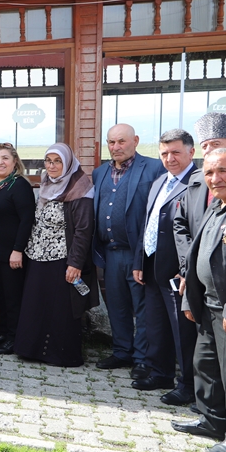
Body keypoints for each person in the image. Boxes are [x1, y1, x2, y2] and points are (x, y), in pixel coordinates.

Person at [92, 124, 165, 377]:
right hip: (111, 253)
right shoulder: (99, 172)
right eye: (111, 142)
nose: (116, 147)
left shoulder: (154, 168)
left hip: (140, 254)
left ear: (135, 140)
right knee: (117, 305)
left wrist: (144, 255)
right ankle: (122, 351)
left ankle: (143, 358)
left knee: (143, 308)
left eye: (121, 141)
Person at [14, 143, 97, 367]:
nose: (51, 166)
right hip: (38, 256)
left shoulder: (80, 188)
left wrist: (75, 263)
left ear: (67, 163)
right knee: (36, 304)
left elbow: (83, 230)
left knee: (59, 308)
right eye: (48, 161)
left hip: (62, 259)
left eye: (57, 161)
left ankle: (60, 355)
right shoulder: (47, 183)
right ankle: (31, 350)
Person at [131, 129, 197, 396]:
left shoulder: (198, 183)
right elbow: (147, 224)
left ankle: (187, 385)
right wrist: (139, 260)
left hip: (178, 270)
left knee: (182, 331)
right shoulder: (160, 181)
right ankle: (160, 374)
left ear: (191, 152)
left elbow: (197, 231)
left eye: (176, 152)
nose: (170, 158)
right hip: (152, 266)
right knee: (156, 326)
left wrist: (187, 271)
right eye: (164, 153)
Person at [174, 113, 226, 416]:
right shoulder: (205, 190)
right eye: (205, 145)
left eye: (216, 144)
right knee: (205, 361)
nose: (214, 178)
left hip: (225, 299)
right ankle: (211, 419)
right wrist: (189, 279)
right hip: (202, 294)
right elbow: (186, 232)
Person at [0, 143, 35, 355]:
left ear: (15, 162)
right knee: (1, 296)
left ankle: (14, 338)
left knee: (13, 298)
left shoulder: (19, 185)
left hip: (12, 253)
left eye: (5, 158)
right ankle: (3, 332)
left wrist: (18, 250)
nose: (0, 162)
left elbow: (27, 220)